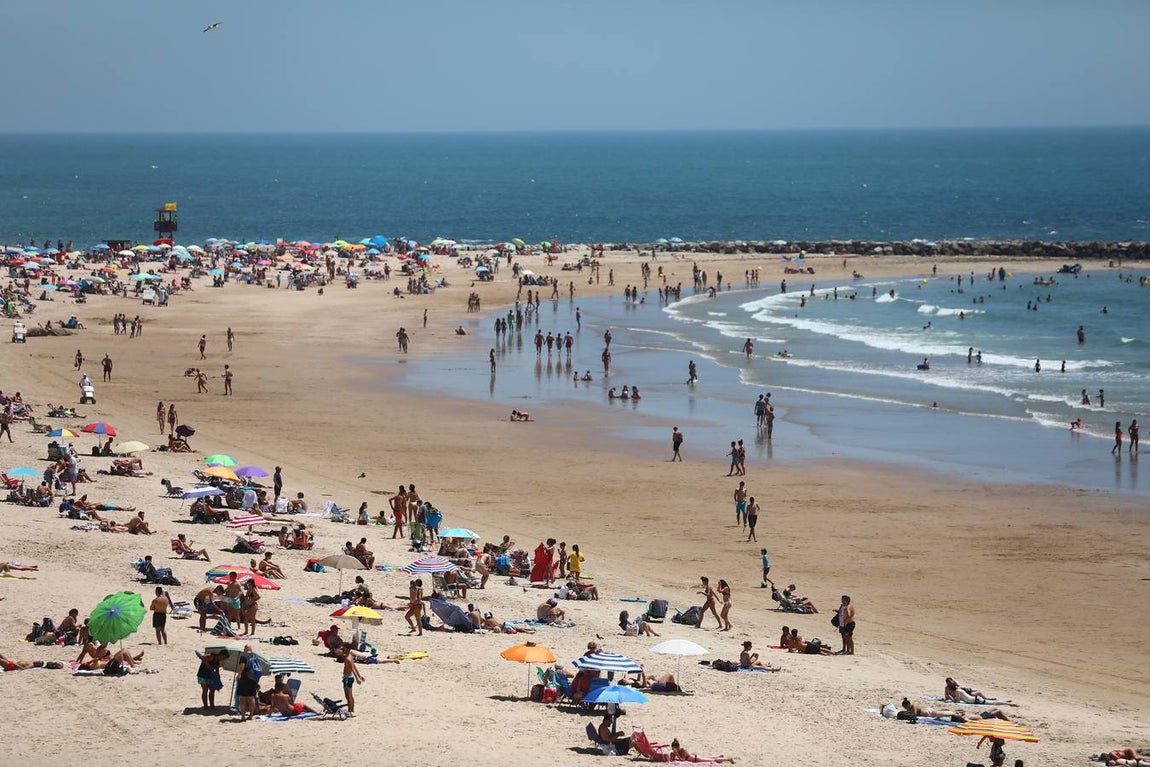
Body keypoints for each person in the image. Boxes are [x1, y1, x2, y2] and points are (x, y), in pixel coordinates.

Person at [237, 644, 262, 720]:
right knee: (251, 698)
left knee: (242, 698)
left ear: (245, 649)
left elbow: (242, 667)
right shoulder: (255, 657)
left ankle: (243, 716)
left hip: (244, 679)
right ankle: (251, 716)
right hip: (253, 679)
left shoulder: (243, 656)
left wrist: (238, 675)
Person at [337, 646, 364, 714]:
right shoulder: (350, 656)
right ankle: (351, 710)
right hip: (349, 677)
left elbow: (352, 668)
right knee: (350, 696)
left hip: (347, 678)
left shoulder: (347, 659)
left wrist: (357, 678)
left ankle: (350, 711)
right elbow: (354, 666)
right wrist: (359, 676)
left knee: (348, 696)